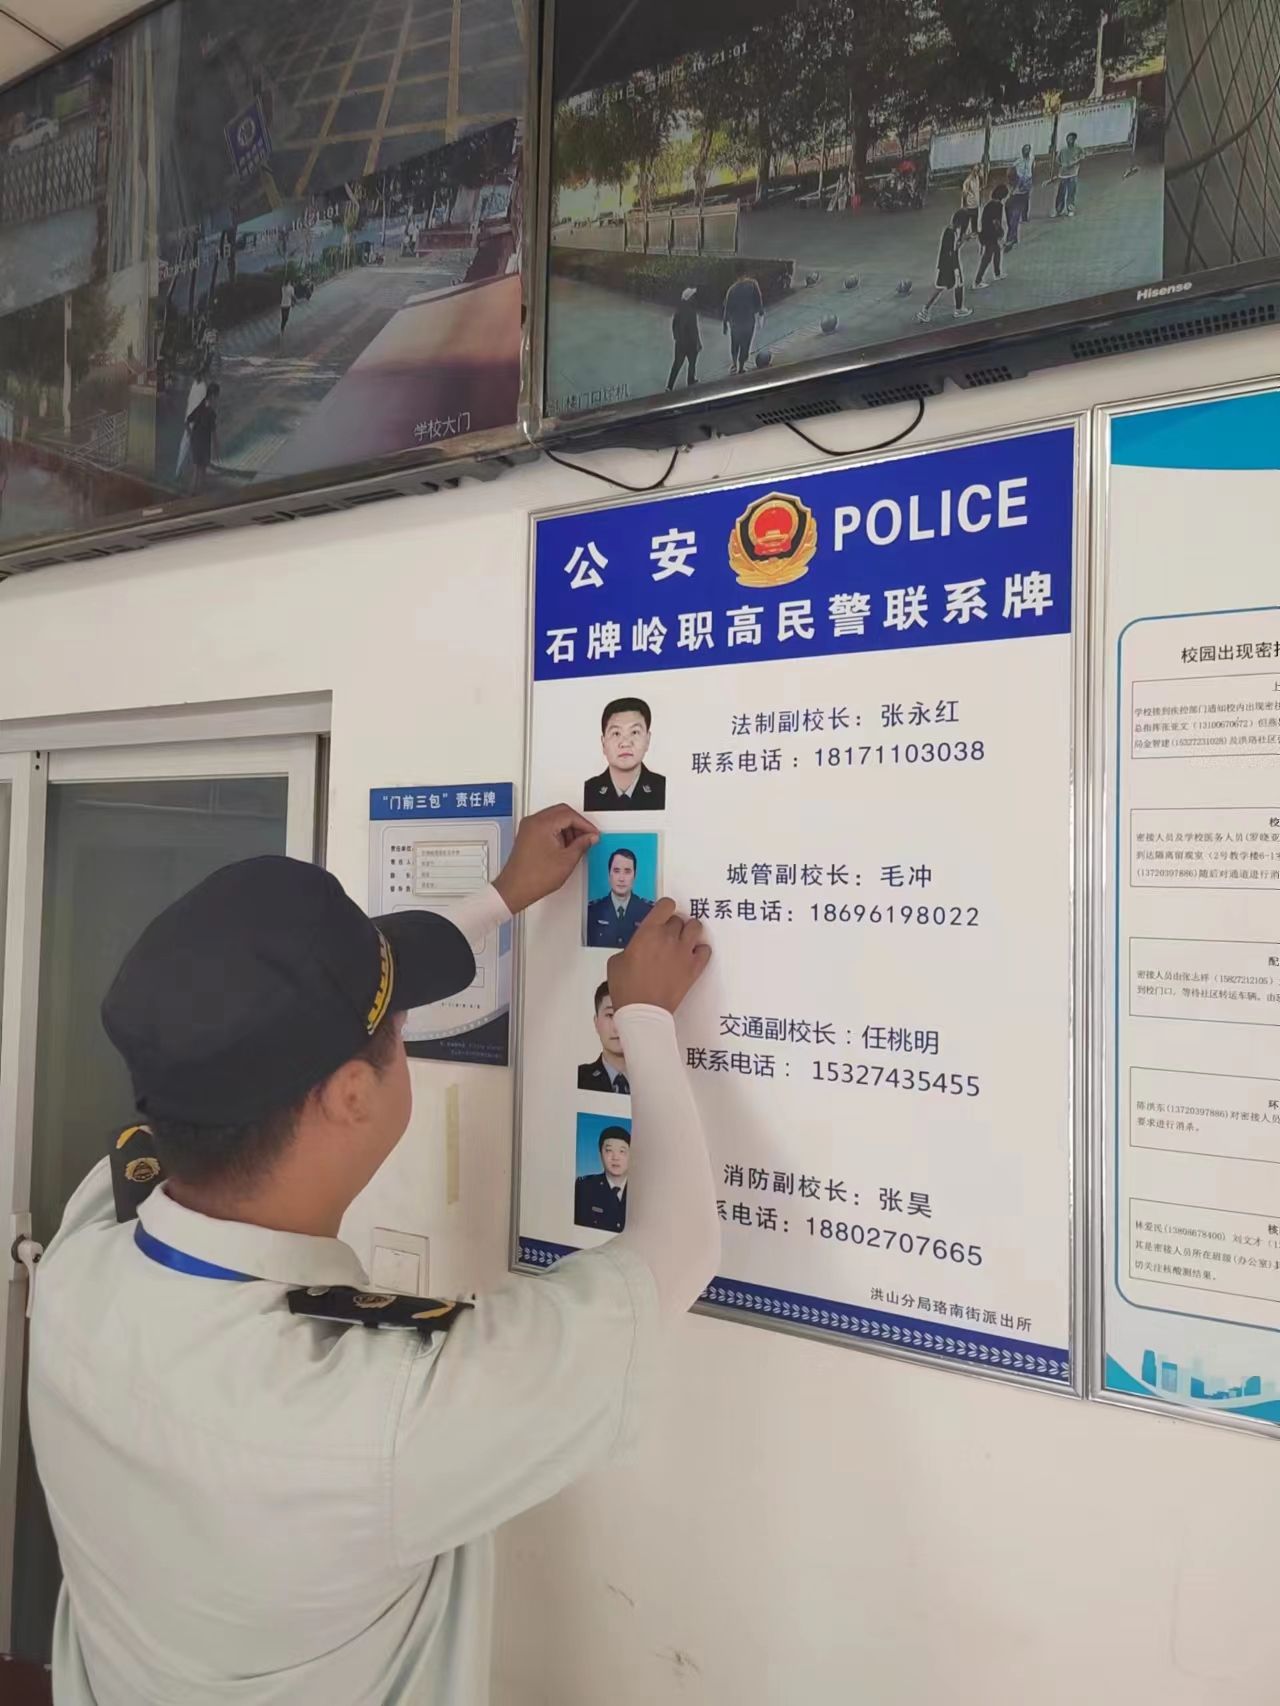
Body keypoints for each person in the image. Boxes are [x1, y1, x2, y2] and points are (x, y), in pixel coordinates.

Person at [27, 809, 718, 1705]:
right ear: (354, 1093)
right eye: (397, 1027)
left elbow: (305, 1007)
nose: (403, 1030)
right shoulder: (384, 1418)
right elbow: (678, 1248)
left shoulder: (81, 1261)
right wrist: (645, 1018)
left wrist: (502, 898)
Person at [583, 695, 666, 811]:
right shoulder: (588, 791)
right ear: (603, 743)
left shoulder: (663, 788)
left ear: (647, 740)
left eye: (634, 732)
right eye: (616, 733)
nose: (625, 743)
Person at [586, 846, 653, 948]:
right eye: (616, 871)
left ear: (634, 875)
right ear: (609, 874)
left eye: (627, 871)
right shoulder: (592, 912)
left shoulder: (649, 912)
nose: (621, 878)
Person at [916, 209, 975, 323]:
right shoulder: (950, 232)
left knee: (942, 287)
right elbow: (951, 251)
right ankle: (958, 309)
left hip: (947, 263)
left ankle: (925, 310)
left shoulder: (952, 231)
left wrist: (963, 239)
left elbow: (954, 248)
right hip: (950, 264)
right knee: (956, 285)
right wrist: (955, 268)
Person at [574, 1125, 631, 1233]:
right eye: (609, 1150)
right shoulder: (584, 1188)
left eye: (622, 1151)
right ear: (600, 1154)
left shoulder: (642, 1190)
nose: (615, 1157)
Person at [578, 980, 628, 1093]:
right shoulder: (580, 1078)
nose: (616, 1027)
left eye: (623, 1016)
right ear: (596, 1022)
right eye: (610, 1015)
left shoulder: (653, 1083)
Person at [722, 261, 764, 375]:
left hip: (735, 323)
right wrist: (760, 313)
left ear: (736, 274)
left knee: (735, 343)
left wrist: (725, 323)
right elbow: (759, 301)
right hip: (748, 322)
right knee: (745, 345)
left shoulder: (732, 289)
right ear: (746, 272)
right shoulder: (753, 284)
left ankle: (734, 364)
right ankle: (741, 366)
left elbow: (727, 308)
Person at [185, 382, 220, 493]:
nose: (217, 399)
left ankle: (192, 493)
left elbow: (187, 422)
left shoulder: (200, 406)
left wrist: (191, 435)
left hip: (195, 441)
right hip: (204, 444)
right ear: (213, 396)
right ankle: (200, 494)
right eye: (217, 396)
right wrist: (216, 449)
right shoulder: (211, 413)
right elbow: (213, 433)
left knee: (196, 469)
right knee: (202, 471)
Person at [974, 182, 1009, 288]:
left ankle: (997, 273)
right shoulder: (998, 206)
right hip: (991, 235)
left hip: (985, 233)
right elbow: (996, 222)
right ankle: (977, 281)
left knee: (997, 251)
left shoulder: (989, 205)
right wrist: (1001, 233)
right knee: (987, 257)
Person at [667, 286, 701, 390]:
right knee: (692, 362)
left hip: (680, 343)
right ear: (690, 298)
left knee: (677, 364)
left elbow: (674, 326)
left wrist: (677, 338)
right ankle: (690, 380)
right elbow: (694, 329)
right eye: (693, 296)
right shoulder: (691, 311)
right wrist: (698, 342)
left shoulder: (679, 311)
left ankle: (669, 386)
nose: (695, 298)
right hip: (690, 343)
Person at [1006, 144, 1034, 247]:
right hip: (1017, 192)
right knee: (1013, 217)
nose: (1026, 152)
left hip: (1023, 189)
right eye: (1025, 150)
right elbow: (1010, 172)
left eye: (1028, 150)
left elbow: (1031, 169)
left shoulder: (1031, 159)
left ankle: (1012, 237)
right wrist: (1013, 185)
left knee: (1015, 216)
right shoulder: (1018, 162)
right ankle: (1012, 237)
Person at [1054, 131, 1083, 218]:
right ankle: (1058, 210)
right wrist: (1062, 165)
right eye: (1068, 138)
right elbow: (1057, 160)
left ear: (1074, 139)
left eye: (1072, 139)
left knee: (1071, 193)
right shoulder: (1063, 150)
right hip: (1063, 175)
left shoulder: (1078, 148)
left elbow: (1082, 157)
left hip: (1073, 174)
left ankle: (1070, 210)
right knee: (1060, 194)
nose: (1070, 140)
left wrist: (1074, 163)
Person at [958, 163, 983, 238]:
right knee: (965, 222)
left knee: (974, 220)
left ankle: (974, 232)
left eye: (977, 170)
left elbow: (978, 190)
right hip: (969, 205)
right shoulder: (968, 181)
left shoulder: (977, 178)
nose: (976, 172)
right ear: (971, 170)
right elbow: (964, 194)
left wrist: (979, 201)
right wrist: (963, 206)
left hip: (975, 204)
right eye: (975, 170)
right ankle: (961, 235)